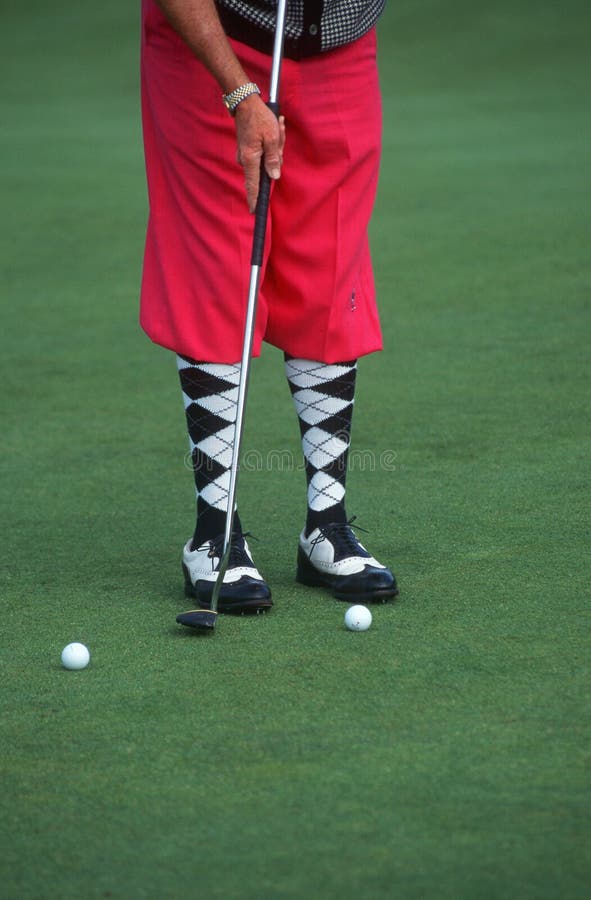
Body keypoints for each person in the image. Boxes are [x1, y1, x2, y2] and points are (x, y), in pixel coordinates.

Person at [140, 0, 399, 614]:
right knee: (219, 271)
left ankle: (326, 528)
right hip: (217, 41)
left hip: (338, 41)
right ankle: (214, 533)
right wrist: (239, 94)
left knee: (330, 266)